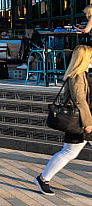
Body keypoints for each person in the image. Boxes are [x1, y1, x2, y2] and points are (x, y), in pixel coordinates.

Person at [34, 45, 92, 195]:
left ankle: (43, 178)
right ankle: (43, 179)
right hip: (81, 121)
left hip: (86, 120)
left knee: (68, 152)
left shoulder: (83, 74)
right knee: (68, 152)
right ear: (84, 59)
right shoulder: (77, 76)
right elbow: (79, 100)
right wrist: (88, 123)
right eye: (91, 57)